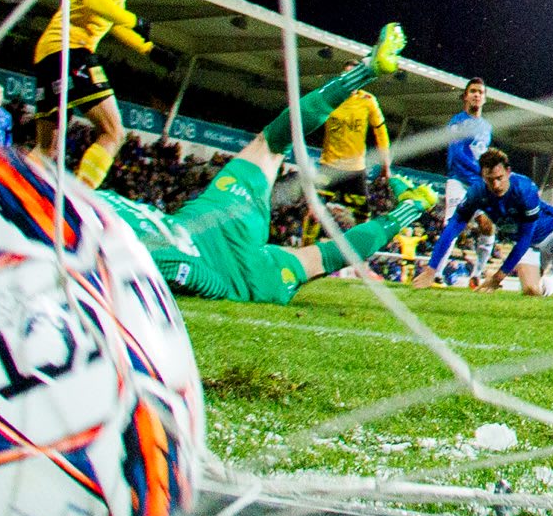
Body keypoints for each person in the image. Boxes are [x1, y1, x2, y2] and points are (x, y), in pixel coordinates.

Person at [74, 22, 432, 304]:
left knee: (322, 256)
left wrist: (213, 284)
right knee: (271, 142)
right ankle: (367, 72)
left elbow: (172, 272)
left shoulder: (67, 230)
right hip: (215, 218)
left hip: (237, 266)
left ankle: (413, 206)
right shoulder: (75, 206)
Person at [33, 0, 164, 189]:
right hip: (71, 48)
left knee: (46, 150)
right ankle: (79, 198)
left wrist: (149, 49)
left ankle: (2, 188)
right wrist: (135, 21)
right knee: (113, 132)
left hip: (51, 50)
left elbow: (109, 18)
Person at [427, 150, 553, 298]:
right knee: (531, 291)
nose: (496, 185)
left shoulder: (524, 188)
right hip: (529, 244)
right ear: (483, 176)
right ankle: (551, 282)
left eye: (499, 178)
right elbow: (452, 227)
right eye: (490, 180)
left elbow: (525, 237)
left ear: (508, 172)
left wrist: (497, 278)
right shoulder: (477, 192)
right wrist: (431, 268)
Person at [412, 78, 493, 286]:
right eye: (473, 91)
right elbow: (457, 154)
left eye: (481, 92)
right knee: (453, 226)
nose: (477, 95)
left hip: (478, 184)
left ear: (485, 98)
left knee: (487, 226)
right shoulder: (457, 122)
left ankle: (477, 274)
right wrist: (481, 172)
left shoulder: (487, 127)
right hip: (459, 181)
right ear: (465, 96)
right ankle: (436, 273)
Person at [317, 84, 392, 212]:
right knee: (314, 210)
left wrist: (386, 165)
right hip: (329, 166)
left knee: (362, 214)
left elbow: (381, 133)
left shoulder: (368, 100)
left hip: (355, 170)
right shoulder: (329, 96)